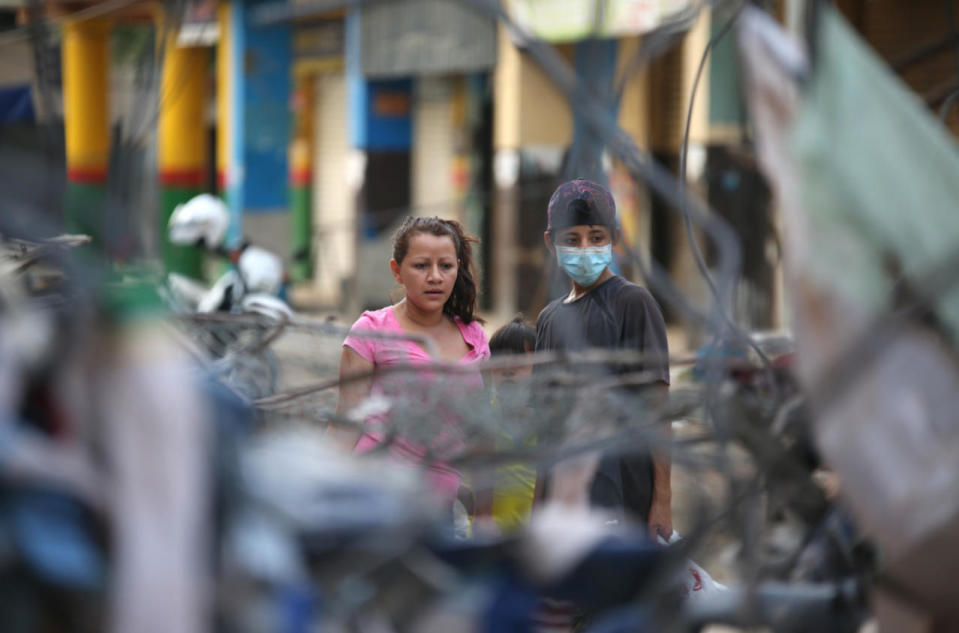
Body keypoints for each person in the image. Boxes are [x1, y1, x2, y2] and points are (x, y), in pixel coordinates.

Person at [535, 178, 672, 539]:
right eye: (572, 240)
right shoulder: (549, 319)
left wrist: (662, 500)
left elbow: (657, 407)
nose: (584, 249)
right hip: (564, 494)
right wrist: (540, 501)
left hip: (624, 489)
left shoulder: (632, 303)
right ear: (552, 243)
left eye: (596, 238)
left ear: (614, 238)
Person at [328, 216, 490, 508]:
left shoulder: (474, 337)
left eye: (446, 266)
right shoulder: (371, 330)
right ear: (397, 271)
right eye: (421, 265)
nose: (435, 277)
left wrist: (486, 510)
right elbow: (346, 422)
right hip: (375, 495)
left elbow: (479, 433)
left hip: (440, 504)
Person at [485, 315, 538, 533]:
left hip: (535, 542)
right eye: (500, 361)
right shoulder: (479, 418)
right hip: (487, 539)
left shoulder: (551, 421)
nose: (508, 369)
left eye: (519, 361)